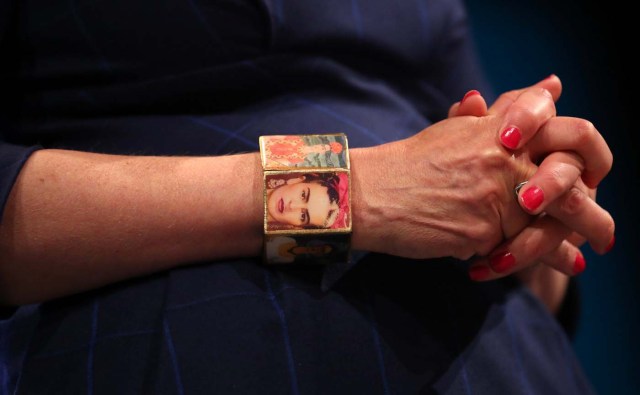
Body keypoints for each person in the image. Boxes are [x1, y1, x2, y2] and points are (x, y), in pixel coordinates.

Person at [0, 1, 614, 394]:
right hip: (176, 354)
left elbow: (473, 170)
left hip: (507, 362)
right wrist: (350, 189)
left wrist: (532, 199)